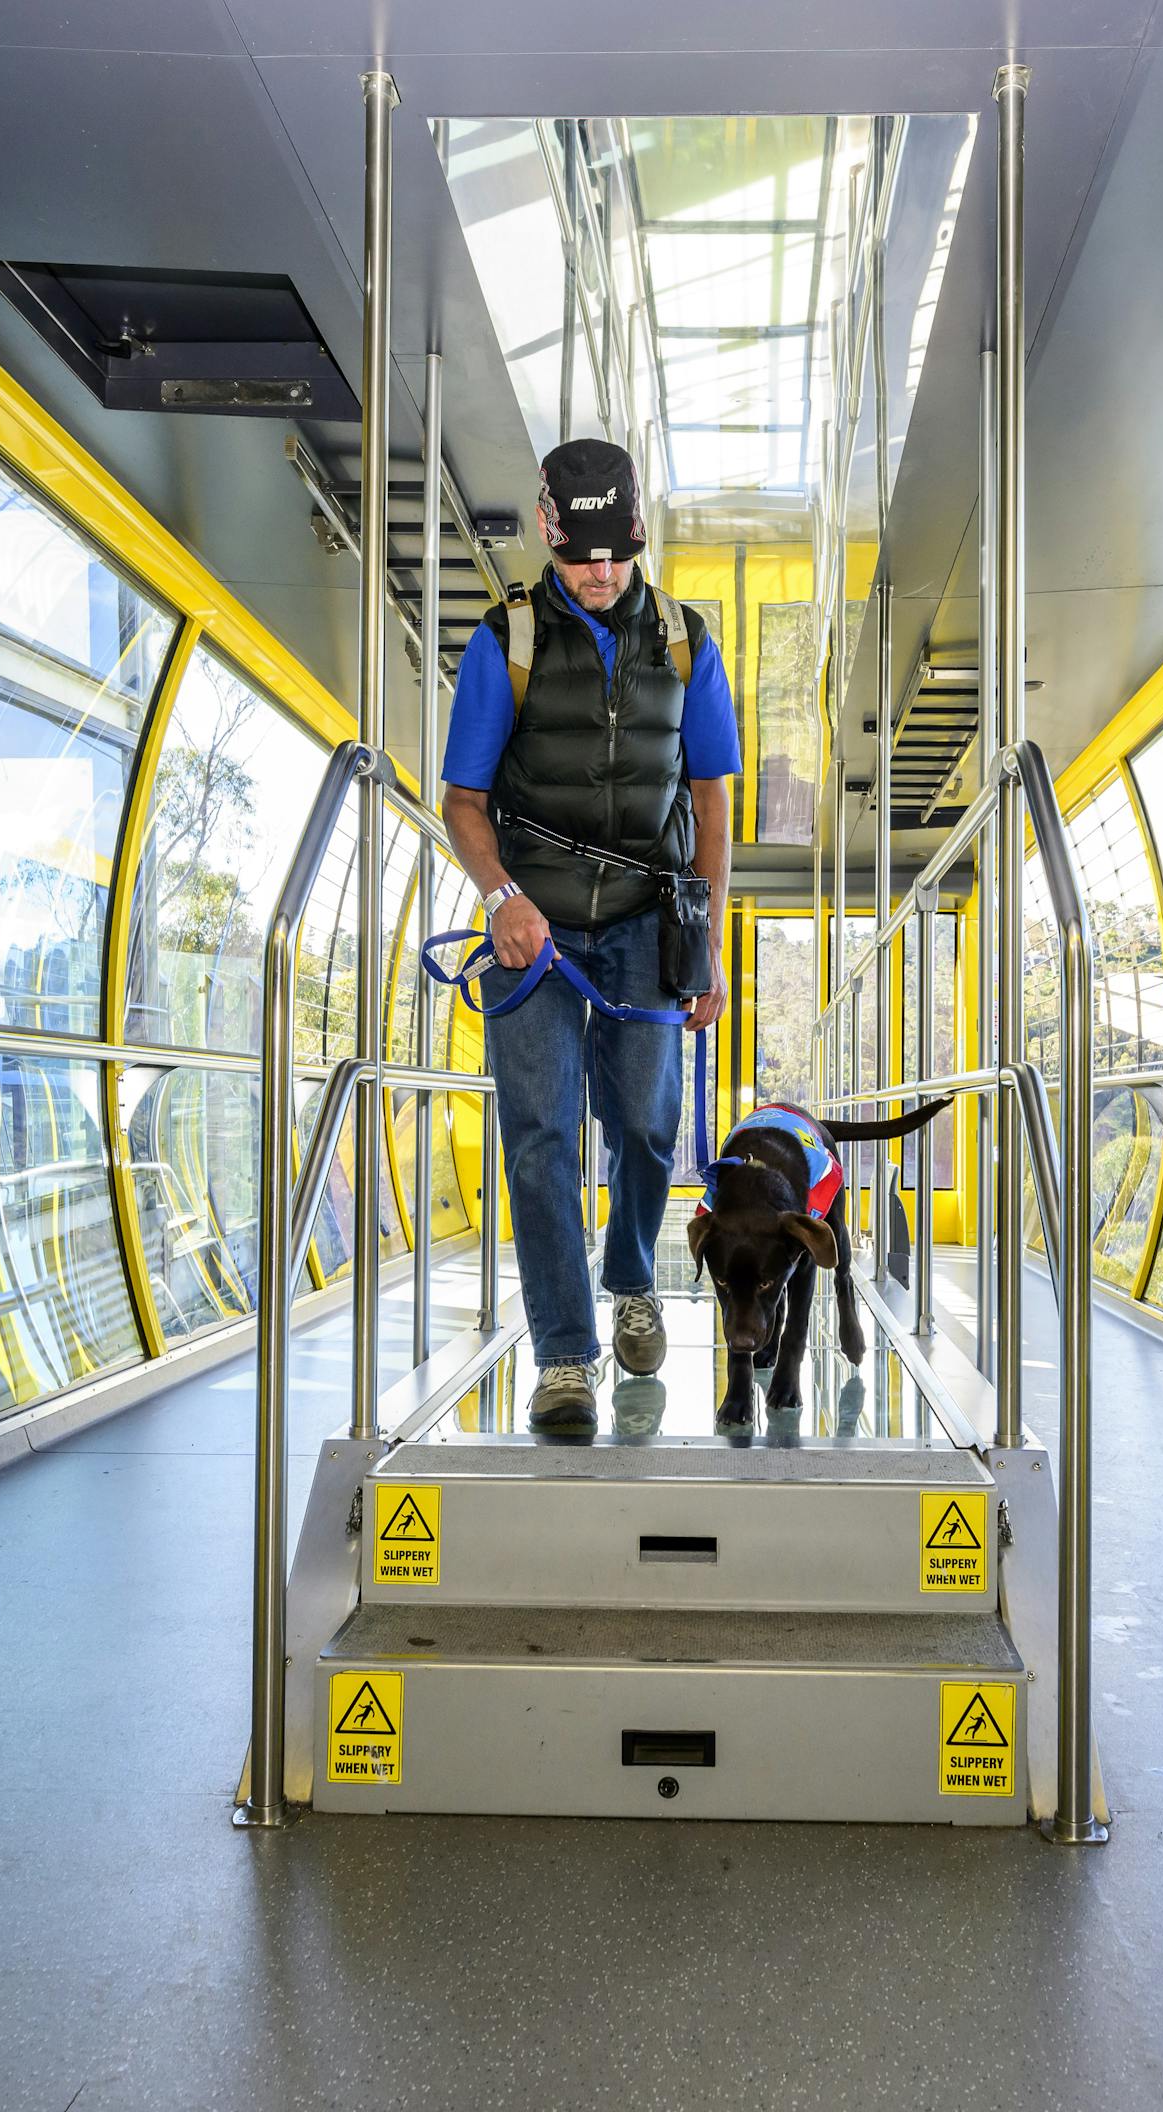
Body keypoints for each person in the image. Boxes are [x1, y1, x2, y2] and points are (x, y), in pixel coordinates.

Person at [441, 439, 737, 1435]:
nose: (599, 572)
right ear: (548, 535)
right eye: (580, 554)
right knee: (538, 1139)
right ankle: (565, 1355)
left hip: (648, 924)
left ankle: (632, 1274)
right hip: (538, 936)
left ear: (639, 535)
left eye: (616, 550)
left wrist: (709, 940)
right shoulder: (506, 641)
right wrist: (500, 901)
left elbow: (710, 793)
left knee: (649, 1128)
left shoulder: (690, 643)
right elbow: (463, 801)